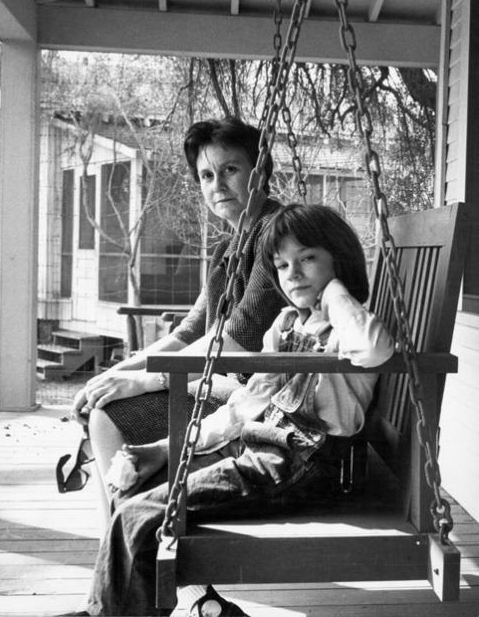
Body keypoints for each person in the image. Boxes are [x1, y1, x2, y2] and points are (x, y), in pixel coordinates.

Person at [69, 203, 394, 616]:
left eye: (308, 258)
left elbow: (375, 348)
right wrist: (166, 449)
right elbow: (244, 407)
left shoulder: (351, 329)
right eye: (281, 264)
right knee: (137, 487)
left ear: (340, 260)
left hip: (304, 468)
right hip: (261, 452)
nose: (292, 274)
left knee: (143, 513)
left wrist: (334, 293)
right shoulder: (286, 325)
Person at [70, 117, 286, 518]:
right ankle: (132, 537)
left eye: (230, 170)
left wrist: (140, 381)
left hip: (259, 404)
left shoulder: (277, 234)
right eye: (206, 175)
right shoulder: (230, 248)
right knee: (104, 402)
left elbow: (235, 340)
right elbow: (190, 331)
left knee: (108, 417)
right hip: (227, 389)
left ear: (261, 170)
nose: (217, 185)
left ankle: (133, 541)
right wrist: (117, 373)